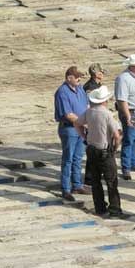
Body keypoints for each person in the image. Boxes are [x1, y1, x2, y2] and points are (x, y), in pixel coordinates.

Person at [75, 86, 129, 219]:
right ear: (105, 100)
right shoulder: (106, 114)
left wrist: (84, 137)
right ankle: (115, 210)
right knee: (111, 182)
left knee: (96, 180)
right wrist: (116, 147)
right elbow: (116, 135)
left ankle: (100, 208)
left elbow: (77, 123)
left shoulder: (89, 111)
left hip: (92, 148)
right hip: (105, 150)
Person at [54, 66, 90, 201]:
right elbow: (68, 114)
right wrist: (84, 122)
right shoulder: (62, 92)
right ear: (69, 78)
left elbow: (86, 106)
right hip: (69, 129)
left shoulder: (80, 89)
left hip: (81, 128)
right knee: (68, 159)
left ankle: (77, 184)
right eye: (77, 77)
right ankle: (65, 188)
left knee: (78, 158)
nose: (79, 80)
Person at [114, 54, 135, 180]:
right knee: (128, 140)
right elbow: (122, 100)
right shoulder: (123, 79)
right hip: (131, 112)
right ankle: (126, 167)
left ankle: (134, 162)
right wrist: (128, 116)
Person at [82, 62, 107, 186]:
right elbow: (88, 105)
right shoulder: (90, 87)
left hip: (97, 119)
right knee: (93, 150)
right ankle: (90, 177)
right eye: (101, 72)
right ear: (96, 73)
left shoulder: (97, 85)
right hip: (93, 120)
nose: (103, 74)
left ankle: (95, 174)